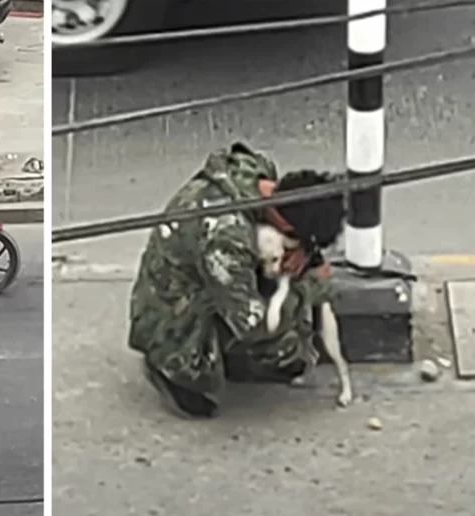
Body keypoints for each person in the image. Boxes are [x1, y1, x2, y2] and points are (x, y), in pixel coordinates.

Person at [128, 142, 346, 419]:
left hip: (199, 277)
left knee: (283, 307)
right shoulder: (227, 239)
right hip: (170, 313)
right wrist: (311, 286)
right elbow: (253, 324)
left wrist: (302, 256)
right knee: (283, 350)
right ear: (288, 227)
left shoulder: (256, 178)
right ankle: (171, 366)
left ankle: (225, 351)